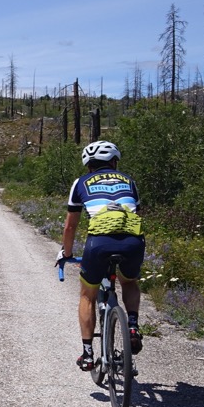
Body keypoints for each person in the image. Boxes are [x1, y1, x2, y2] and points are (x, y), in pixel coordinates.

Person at [57, 140, 145, 371]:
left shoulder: (81, 182)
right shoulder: (129, 181)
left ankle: (87, 354)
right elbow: (137, 215)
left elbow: (70, 227)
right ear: (114, 162)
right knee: (129, 281)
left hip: (99, 244)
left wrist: (66, 253)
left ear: (89, 166)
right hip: (132, 242)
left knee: (87, 295)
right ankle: (133, 325)